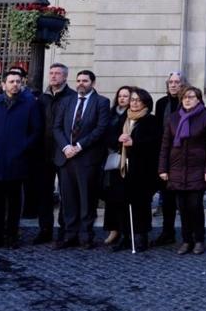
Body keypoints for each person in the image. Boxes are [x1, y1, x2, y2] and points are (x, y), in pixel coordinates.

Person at [0, 71, 42, 248]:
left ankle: (12, 235)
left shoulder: (29, 105)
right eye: (11, 81)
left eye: (18, 81)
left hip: (18, 160)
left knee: (15, 201)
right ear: (3, 84)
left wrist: (23, 147)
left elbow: (36, 131)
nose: (15, 84)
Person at [53, 70, 112, 249]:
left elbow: (100, 128)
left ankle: (86, 236)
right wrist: (66, 147)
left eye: (85, 81)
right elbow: (56, 127)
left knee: (87, 199)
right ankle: (70, 235)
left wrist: (79, 146)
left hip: (87, 158)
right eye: (78, 80)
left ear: (92, 83)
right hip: (66, 158)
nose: (81, 83)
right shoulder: (67, 101)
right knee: (68, 199)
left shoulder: (102, 102)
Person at [159, 86, 206, 255]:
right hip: (177, 168)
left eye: (191, 97)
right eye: (184, 97)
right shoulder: (174, 118)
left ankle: (199, 239)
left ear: (198, 99)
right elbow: (165, 145)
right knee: (182, 207)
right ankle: (186, 240)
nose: (187, 99)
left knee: (195, 205)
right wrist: (163, 168)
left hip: (198, 169)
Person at [105, 88, 161, 252]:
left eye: (138, 100)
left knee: (140, 205)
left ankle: (141, 236)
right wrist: (118, 139)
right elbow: (109, 136)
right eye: (133, 99)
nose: (134, 103)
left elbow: (155, 143)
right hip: (122, 169)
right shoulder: (124, 118)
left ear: (145, 103)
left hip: (142, 170)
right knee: (122, 203)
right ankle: (125, 236)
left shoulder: (151, 120)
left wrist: (134, 142)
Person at [35, 64, 75, 244]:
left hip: (64, 152)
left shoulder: (73, 97)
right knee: (43, 193)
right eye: (51, 73)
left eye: (57, 73)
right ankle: (45, 229)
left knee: (66, 193)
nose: (53, 76)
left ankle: (64, 229)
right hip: (43, 152)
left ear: (65, 77)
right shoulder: (41, 99)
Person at [153, 71, 185, 246]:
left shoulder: (189, 102)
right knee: (167, 198)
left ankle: (190, 235)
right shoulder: (161, 104)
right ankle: (168, 231)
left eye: (177, 82)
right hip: (166, 156)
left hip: (185, 157)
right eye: (171, 82)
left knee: (185, 199)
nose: (173, 85)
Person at [102, 85, 133, 247]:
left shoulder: (131, 115)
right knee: (111, 198)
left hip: (125, 161)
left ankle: (125, 231)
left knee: (123, 198)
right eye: (120, 95)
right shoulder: (111, 113)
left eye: (126, 96)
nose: (122, 98)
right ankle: (113, 229)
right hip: (111, 160)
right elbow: (105, 133)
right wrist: (115, 140)